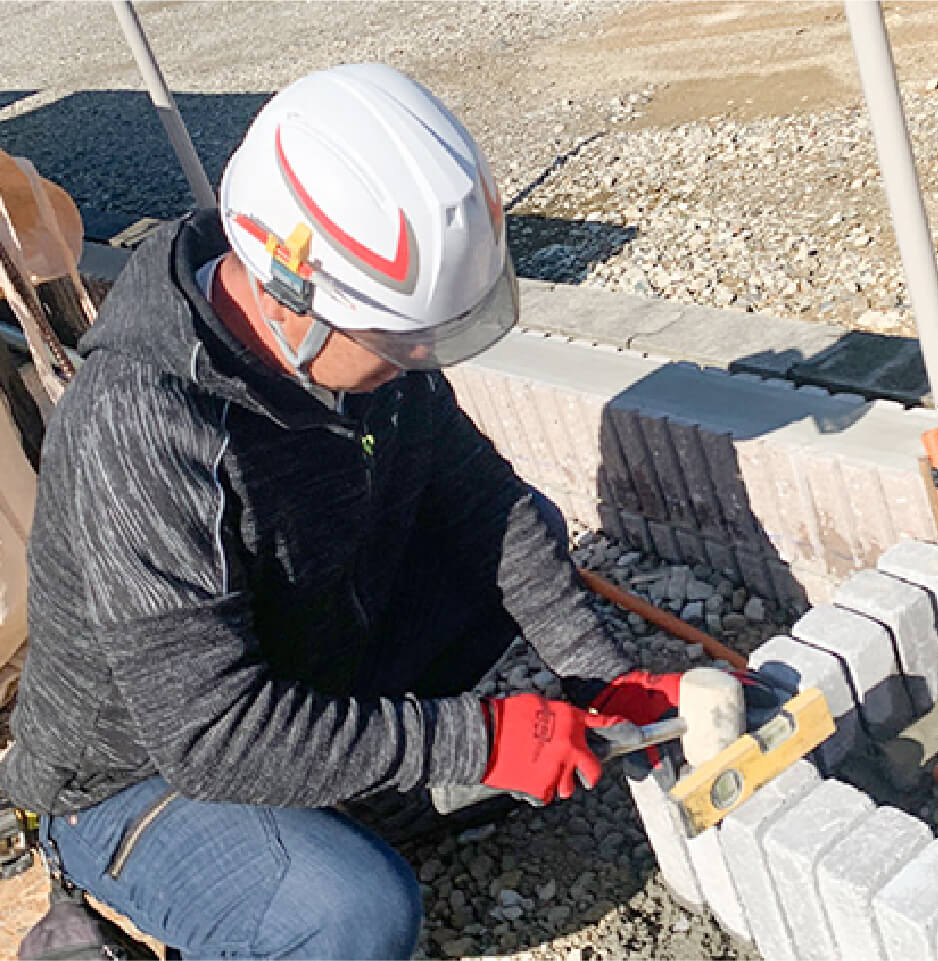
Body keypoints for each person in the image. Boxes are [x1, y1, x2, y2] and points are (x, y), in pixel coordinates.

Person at [0, 64, 685, 960]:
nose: (418, 359)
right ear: (288, 295)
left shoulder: (359, 340)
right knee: (351, 912)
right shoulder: (143, 427)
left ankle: (342, 790)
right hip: (140, 770)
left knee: (524, 544)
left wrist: (602, 675)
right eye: (398, 338)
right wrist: (472, 740)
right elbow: (210, 732)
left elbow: (487, 505)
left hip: (301, 652)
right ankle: (143, 885)